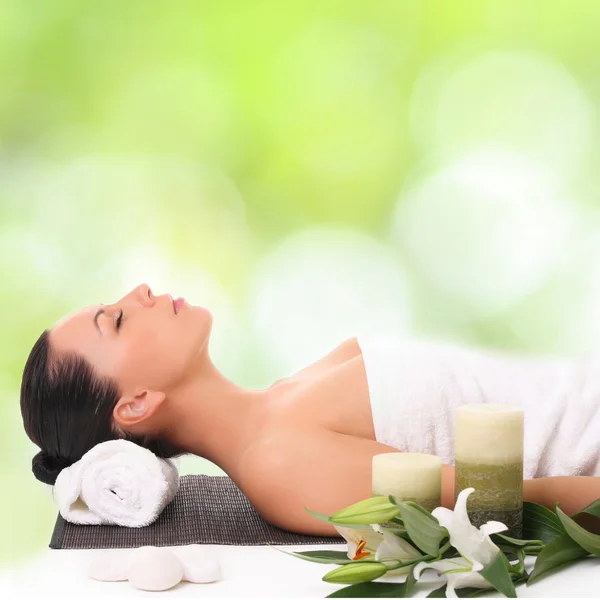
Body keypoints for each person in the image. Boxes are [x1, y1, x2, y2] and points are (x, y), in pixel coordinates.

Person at [20, 283, 600, 537]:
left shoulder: (288, 395)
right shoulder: (281, 466)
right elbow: (509, 505)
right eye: (116, 320)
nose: (139, 292)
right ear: (137, 404)